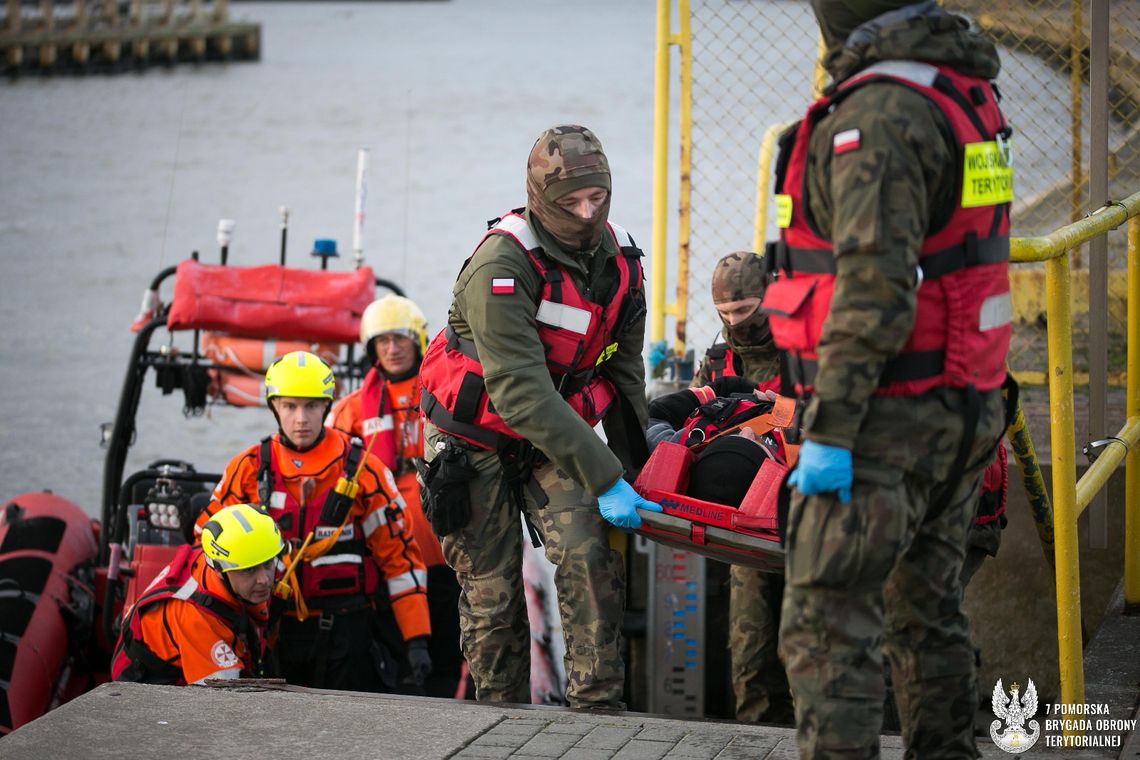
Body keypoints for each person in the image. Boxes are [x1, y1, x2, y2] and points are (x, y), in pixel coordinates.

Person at [761, 1, 1013, 755]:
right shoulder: (960, 88)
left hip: (884, 418)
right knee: (928, 616)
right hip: (962, 404)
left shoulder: (876, 115)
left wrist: (831, 431)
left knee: (826, 635)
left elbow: (874, 287)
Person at [417, 124, 660, 709]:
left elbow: (623, 376)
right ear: (538, 198)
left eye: (597, 198)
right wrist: (603, 476)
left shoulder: (622, 263)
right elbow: (521, 394)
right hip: (472, 439)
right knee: (493, 596)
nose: (586, 213)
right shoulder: (501, 265)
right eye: (570, 202)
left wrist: (638, 472)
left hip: (555, 439)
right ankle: (500, 720)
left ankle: (599, 714)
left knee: (589, 558)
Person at [199, 350, 432, 693]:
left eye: (311, 406)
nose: (301, 419)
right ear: (273, 407)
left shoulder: (363, 472)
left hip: (347, 630)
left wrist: (417, 640)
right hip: (271, 628)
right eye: (290, 406)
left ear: (327, 406)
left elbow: (400, 559)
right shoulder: (248, 469)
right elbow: (208, 551)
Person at [327, 294, 464, 698]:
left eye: (400, 339)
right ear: (372, 349)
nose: (392, 348)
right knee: (391, 659)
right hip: (386, 562)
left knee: (445, 651)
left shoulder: (444, 394)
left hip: (443, 555)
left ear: (417, 341)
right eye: (383, 341)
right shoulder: (350, 412)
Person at [688, 252, 793, 725]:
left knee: (806, 646)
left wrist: (775, 420)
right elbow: (688, 420)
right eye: (725, 315)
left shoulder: (803, 351)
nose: (736, 323)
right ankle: (757, 736)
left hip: (803, 514)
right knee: (748, 649)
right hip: (743, 522)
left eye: (746, 311)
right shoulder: (715, 364)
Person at [112, 503, 283, 685]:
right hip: (147, 684)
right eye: (249, 570)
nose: (264, 580)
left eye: (268, 564)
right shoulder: (196, 618)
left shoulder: (222, 559)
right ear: (219, 570)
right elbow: (224, 702)